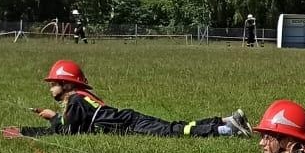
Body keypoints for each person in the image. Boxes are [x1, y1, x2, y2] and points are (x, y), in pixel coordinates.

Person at [23, 60, 251, 138]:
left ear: (68, 84)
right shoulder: (81, 98)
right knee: (173, 127)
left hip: (129, 123)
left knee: (173, 131)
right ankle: (226, 121)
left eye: (54, 83)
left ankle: (227, 130)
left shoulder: (75, 101)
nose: (51, 87)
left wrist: (53, 119)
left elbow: (67, 132)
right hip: (128, 119)